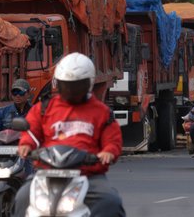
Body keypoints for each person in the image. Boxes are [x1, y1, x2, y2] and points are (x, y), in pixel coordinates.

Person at [13, 52, 125, 217]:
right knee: (22, 197)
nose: (71, 90)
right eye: (67, 85)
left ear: (89, 83)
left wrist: (108, 152)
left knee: (111, 201)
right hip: (47, 173)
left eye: (76, 86)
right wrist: (26, 145)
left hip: (88, 175)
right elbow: (31, 131)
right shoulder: (44, 108)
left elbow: (112, 139)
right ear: (58, 84)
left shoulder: (101, 112)